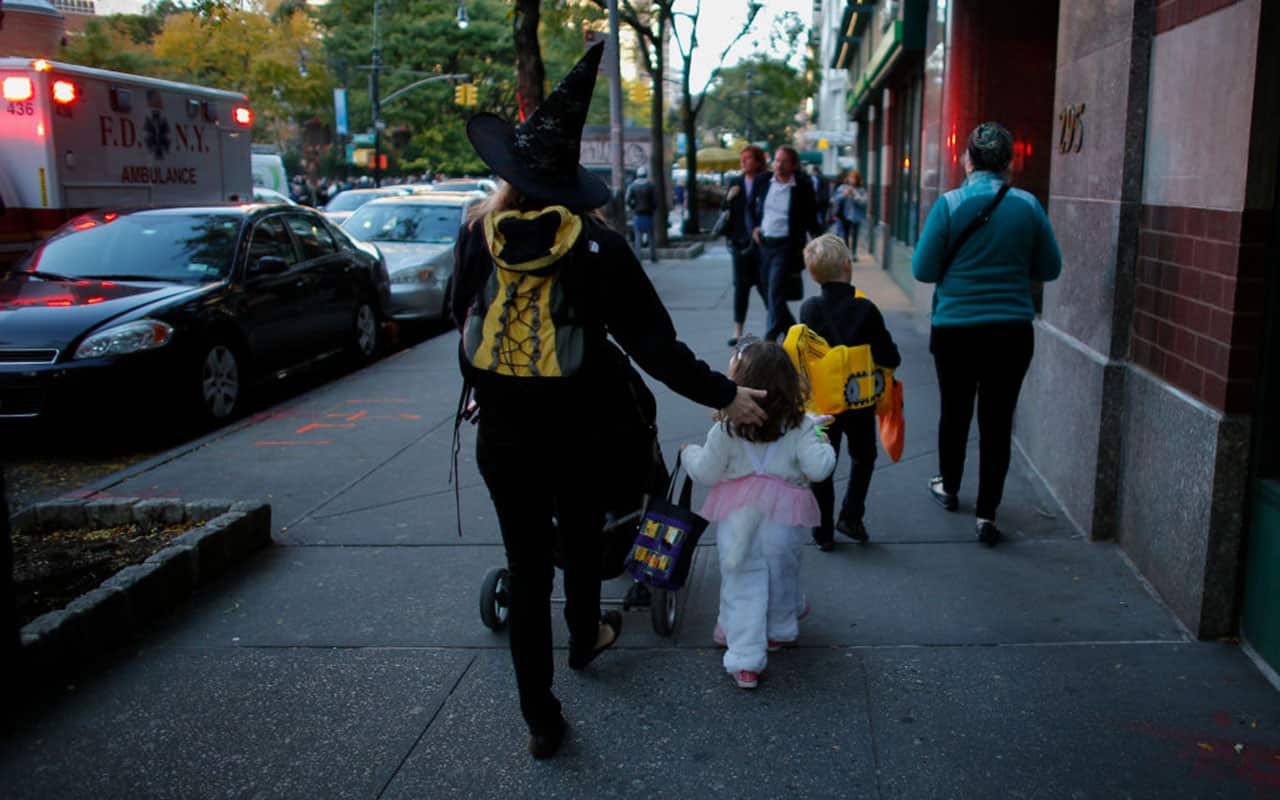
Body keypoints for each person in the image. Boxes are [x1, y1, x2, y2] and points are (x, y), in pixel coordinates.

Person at [450, 42, 767, 759]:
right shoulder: (599, 251)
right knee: (589, 527)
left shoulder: (478, 236)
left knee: (527, 571)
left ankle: (540, 718)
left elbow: (461, 325)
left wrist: (482, 393)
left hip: (502, 435)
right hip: (582, 431)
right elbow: (657, 349)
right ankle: (587, 639)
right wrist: (727, 395)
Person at [911, 121, 1062, 546]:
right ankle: (987, 513)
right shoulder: (1029, 206)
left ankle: (951, 486)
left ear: (968, 159)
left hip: (956, 330)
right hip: (1011, 331)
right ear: (1009, 162)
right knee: (997, 420)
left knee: (955, 412)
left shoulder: (948, 204)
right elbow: (1049, 268)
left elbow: (923, 270)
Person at [683, 338, 834, 689]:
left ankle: (745, 659)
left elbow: (706, 472)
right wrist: (823, 441)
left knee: (742, 578)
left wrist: (688, 453)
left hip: (737, 517)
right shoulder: (801, 426)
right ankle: (779, 630)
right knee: (782, 567)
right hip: (783, 517)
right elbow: (820, 469)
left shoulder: (726, 429)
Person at [799, 234, 901, 550]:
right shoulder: (866, 309)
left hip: (822, 404)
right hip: (858, 402)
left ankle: (822, 531)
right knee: (864, 456)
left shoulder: (809, 309)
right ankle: (851, 515)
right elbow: (889, 356)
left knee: (823, 464)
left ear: (813, 274)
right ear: (847, 266)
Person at [751, 146, 823, 342]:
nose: (778, 165)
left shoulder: (802, 186)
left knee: (775, 290)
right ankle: (795, 333)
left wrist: (820, 242)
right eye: (776, 160)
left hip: (786, 247)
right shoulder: (763, 181)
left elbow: (811, 217)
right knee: (769, 294)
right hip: (764, 245)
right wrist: (754, 227)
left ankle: (770, 339)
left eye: (783, 161)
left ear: (793, 165)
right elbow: (751, 209)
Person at [720, 145, 768, 347]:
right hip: (740, 242)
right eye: (743, 158)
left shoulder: (766, 181)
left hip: (762, 243)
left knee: (765, 286)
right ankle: (737, 330)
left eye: (748, 158)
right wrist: (730, 198)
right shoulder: (736, 181)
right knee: (741, 287)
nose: (744, 162)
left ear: (758, 161)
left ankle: (773, 326)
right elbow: (724, 207)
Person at [625, 166, 658, 262]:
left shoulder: (633, 186)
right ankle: (653, 257)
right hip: (649, 214)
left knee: (638, 237)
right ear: (645, 174)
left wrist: (633, 207)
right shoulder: (651, 185)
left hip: (638, 214)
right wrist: (653, 209)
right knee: (651, 236)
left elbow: (627, 199)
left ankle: (639, 258)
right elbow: (655, 200)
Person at [832, 170, 868, 257]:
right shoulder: (842, 187)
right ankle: (847, 253)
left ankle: (854, 253)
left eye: (854, 178)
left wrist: (855, 195)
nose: (852, 180)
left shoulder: (861, 189)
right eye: (851, 178)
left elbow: (864, 202)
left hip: (856, 216)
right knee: (846, 234)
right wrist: (844, 194)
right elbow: (835, 199)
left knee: (855, 234)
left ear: (857, 179)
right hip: (845, 215)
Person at [808, 164, 830, 231]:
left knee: (817, 218)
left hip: (819, 202)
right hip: (823, 202)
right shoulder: (824, 178)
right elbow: (827, 192)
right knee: (822, 218)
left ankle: (819, 230)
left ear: (815, 171)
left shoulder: (813, 179)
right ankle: (821, 230)